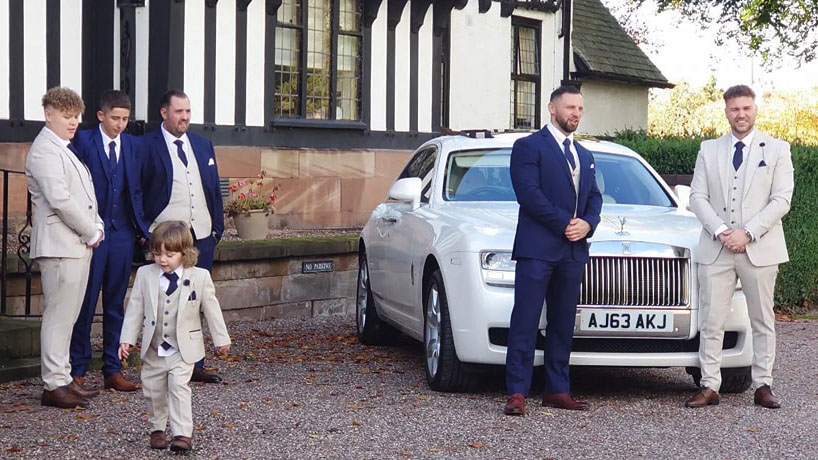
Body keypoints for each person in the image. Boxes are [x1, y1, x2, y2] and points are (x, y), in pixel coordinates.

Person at [686, 84, 793, 409]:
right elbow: (697, 197)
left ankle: (763, 385)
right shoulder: (709, 149)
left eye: (746, 108)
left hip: (759, 247)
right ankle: (709, 384)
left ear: (755, 109)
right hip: (716, 248)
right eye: (735, 109)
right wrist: (721, 231)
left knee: (761, 319)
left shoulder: (777, 149)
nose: (741, 114)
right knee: (711, 319)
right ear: (726, 111)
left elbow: (781, 200)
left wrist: (747, 232)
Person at [504, 85, 603, 416]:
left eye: (580, 109)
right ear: (552, 108)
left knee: (562, 323)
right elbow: (529, 194)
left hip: (573, 252)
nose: (575, 113)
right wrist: (565, 223)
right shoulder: (528, 147)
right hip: (537, 249)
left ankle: (558, 390)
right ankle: (517, 392)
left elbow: (594, 199)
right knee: (526, 320)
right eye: (570, 107)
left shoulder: (584, 156)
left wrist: (587, 224)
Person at [118, 221, 231, 453]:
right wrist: (126, 339)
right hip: (154, 346)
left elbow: (211, 308)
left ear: (184, 253)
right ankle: (157, 428)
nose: (162, 259)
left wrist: (221, 339)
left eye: (170, 254)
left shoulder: (199, 277)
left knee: (179, 387)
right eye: (158, 253)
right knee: (153, 390)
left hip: (183, 347)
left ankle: (182, 434)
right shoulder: (145, 274)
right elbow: (135, 309)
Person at [25, 87, 104, 408]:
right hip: (61, 245)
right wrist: (91, 231)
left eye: (76, 117)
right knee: (59, 317)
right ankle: (53, 384)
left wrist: (95, 225)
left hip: (75, 244)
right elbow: (60, 200)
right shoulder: (45, 150)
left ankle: (63, 378)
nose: (73, 122)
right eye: (67, 116)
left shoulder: (62, 148)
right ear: (49, 114)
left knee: (68, 317)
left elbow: (81, 196)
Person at [139, 89, 225, 383]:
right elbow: (137, 190)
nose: (185, 117)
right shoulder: (146, 145)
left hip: (202, 234)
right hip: (165, 236)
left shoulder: (202, 145)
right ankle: (162, 362)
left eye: (188, 111)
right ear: (164, 113)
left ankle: (194, 363)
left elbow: (213, 189)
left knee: (197, 299)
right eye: (179, 112)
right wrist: (144, 229)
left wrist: (217, 228)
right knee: (164, 300)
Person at [68, 90, 150, 393]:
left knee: (116, 304)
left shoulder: (133, 145)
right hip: (91, 233)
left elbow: (137, 190)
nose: (120, 124)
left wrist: (142, 229)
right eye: (115, 118)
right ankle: (77, 370)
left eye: (125, 119)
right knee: (85, 304)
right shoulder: (83, 140)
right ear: (101, 116)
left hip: (122, 235)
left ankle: (112, 370)